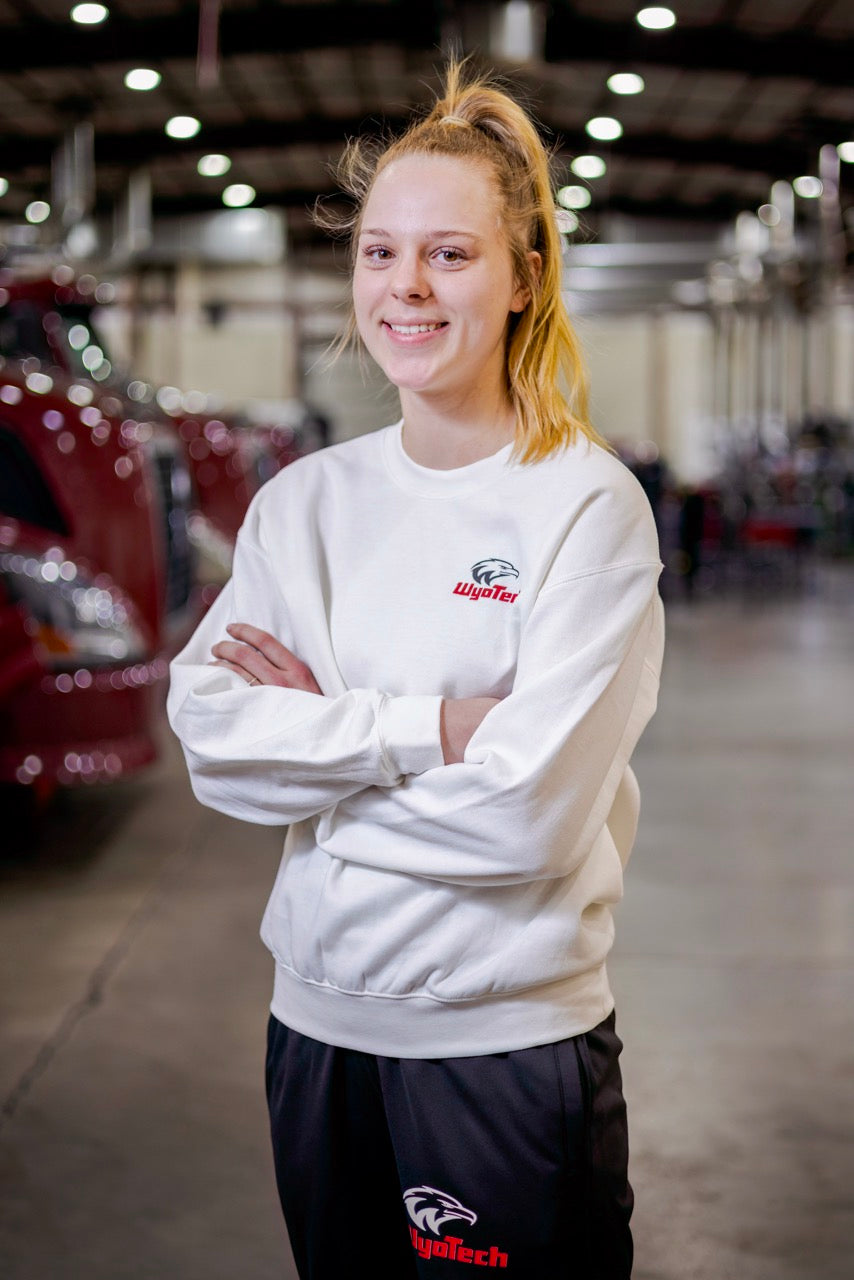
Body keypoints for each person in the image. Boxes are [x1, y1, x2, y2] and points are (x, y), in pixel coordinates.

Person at [167, 60, 664, 1280]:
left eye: (449, 253)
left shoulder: (581, 509)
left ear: (520, 276)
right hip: (314, 1033)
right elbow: (213, 737)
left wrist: (320, 755)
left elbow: (524, 820)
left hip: (499, 1050)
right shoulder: (306, 503)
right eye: (380, 252)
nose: (406, 287)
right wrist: (429, 728)